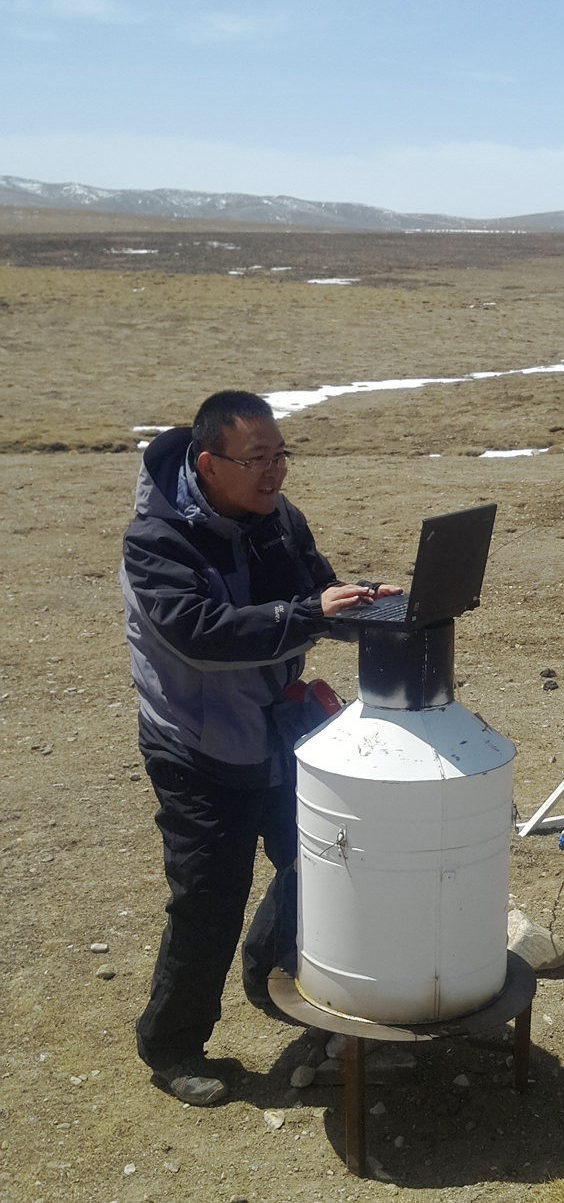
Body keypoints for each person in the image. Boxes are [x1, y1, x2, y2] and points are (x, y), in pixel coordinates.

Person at [120, 390, 398, 1106]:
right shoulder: (156, 541)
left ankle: (280, 981)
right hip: (197, 744)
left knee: (319, 859)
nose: (274, 471)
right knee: (209, 897)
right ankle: (173, 1047)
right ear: (208, 464)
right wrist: (310, 616)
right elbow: (201, 635)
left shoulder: (277, 518)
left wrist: (365, 607)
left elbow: (314, 590)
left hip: (276, 729)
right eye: (256, 459)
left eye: (281, 455)